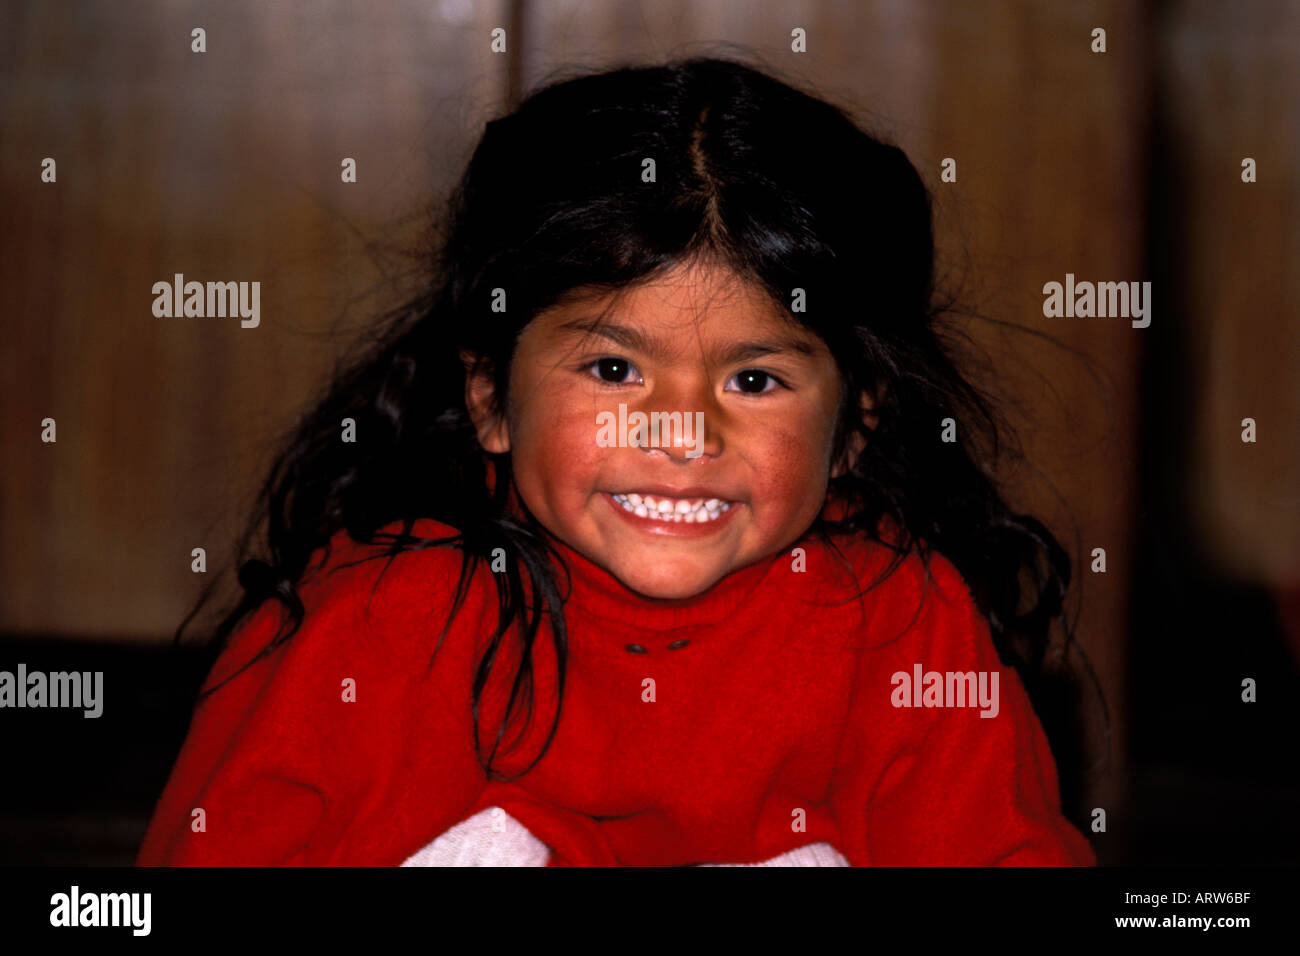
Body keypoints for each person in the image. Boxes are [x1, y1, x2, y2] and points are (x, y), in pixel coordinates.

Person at [136, 56, 1098, 866]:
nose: (681, 435)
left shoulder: (900, 621)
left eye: (755, 382)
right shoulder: (387, 617)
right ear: (489, 398)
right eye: (612, 368)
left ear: (854, 427)